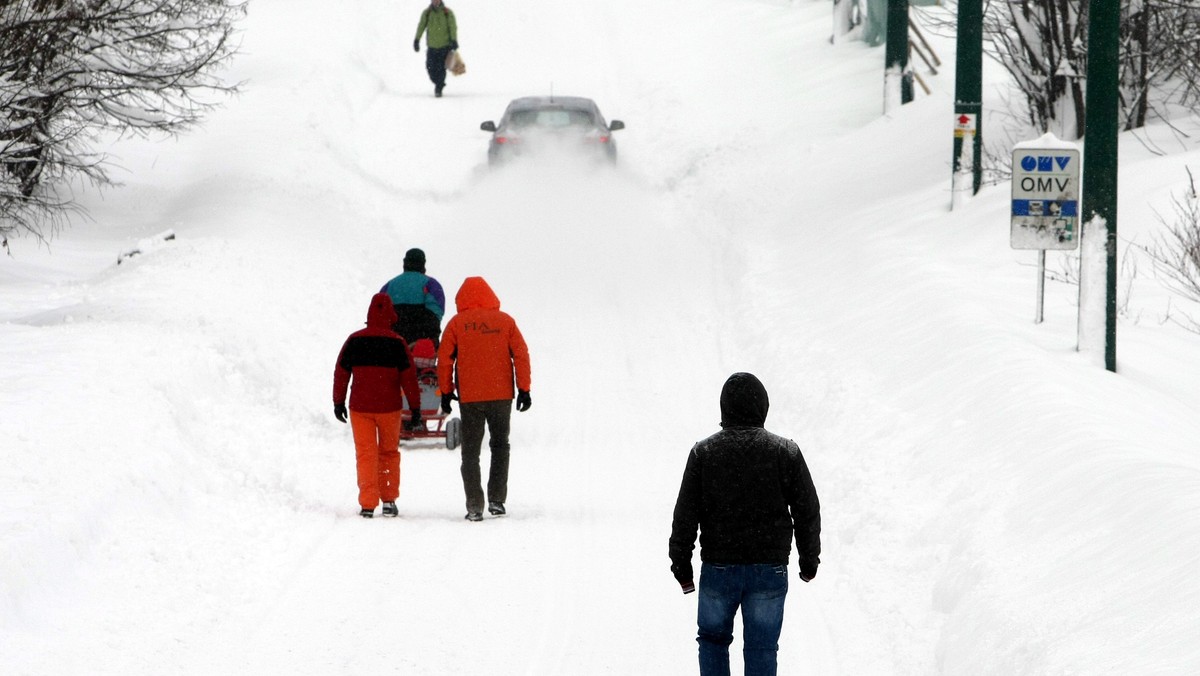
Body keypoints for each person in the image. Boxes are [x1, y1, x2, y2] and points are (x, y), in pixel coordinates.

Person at [669, 372, 821, 676]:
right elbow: (807, 510)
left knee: (712, 642)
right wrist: (808, 560)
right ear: (763, 406)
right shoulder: (785, 452)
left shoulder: (704, 453)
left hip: (718, 568)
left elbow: (685, 514)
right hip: (769, 569)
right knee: (762, 648)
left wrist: (681, 566)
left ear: (724, 407)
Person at [436, 276, 531, 522]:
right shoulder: (505, 321)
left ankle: (474, 506)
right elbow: (520, 355)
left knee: (470, 452)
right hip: (501, 395)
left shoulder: (457, 324)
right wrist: (524, 389)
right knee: (500, 445)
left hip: (471, 398)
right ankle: (497, 500)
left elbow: (445, 359)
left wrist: (445, 392)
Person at [333, 293, 423, 518]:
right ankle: (389, 500)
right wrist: (415, 408)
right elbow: (409, 379)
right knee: (388, 453)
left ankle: (367, 503)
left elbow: (341, 373)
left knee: (365, 454)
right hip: (389, 407)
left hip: (360, 407)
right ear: (391, 315)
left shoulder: (354, 340)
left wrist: (338, 401)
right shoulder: (398, 343)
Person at [380, 247, 446, 347]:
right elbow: (436, 313)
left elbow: (379, 312)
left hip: (392, 344)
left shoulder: (389, 285)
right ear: (423, 263)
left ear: (405, 263)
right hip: (420, 345)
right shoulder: (432, 284)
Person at [413, 0, 458, 98]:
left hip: (444, 46)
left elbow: (452, 27)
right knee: (430, 68)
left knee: (441, 68)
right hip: (432, 47)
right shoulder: (427, 13)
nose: (435, 1)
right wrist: (417, 39)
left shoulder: (447, 13)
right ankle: (438, 82)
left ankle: (439, 87)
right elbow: (421, 26)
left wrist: (454, 40)